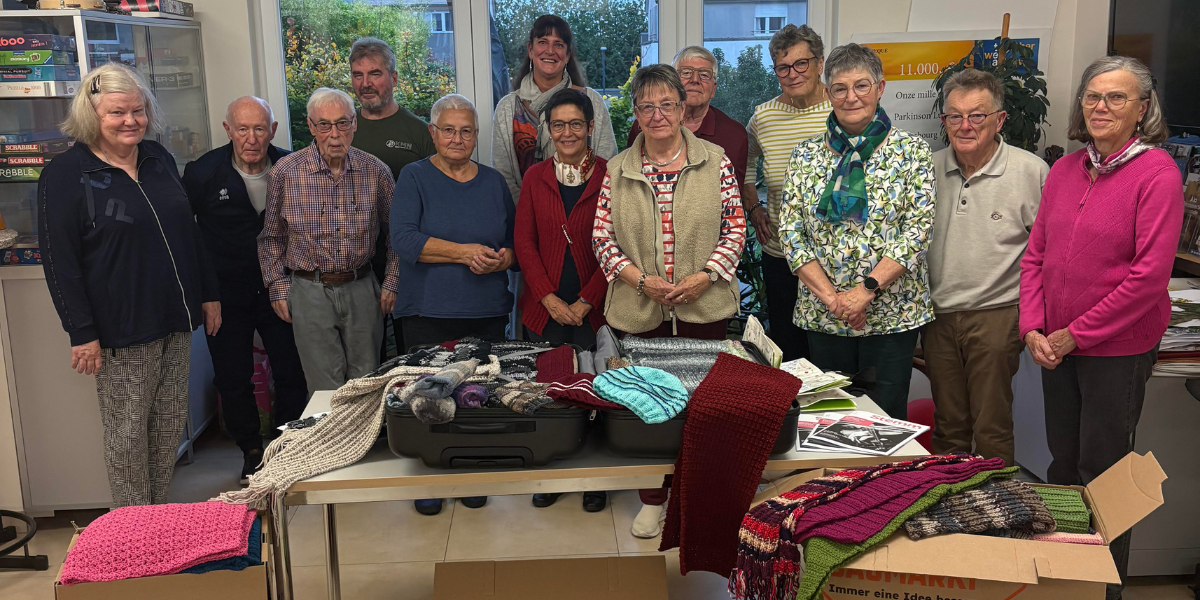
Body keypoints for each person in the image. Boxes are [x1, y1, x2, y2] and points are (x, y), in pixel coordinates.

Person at [1019, 55, 1180, 600]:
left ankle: (1105, 591)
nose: (1101, 106)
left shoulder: (1157, 173)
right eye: (1093, 96)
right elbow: (1035, 257)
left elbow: (1149, 278)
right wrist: (1033, 327)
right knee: (1063, 466)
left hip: (1117, 351)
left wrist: (1074, 334)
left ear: (1142, 109)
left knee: (1104, 475)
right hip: (1056, 348)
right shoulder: (1066, 169)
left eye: (1116, 97)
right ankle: (1069, 584)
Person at [38, 63, 220, 507]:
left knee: (167, 427)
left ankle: (153, 516)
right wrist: (81, 332)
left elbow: (189, 232)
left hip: (175, 319)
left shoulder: (157, 158)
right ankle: (131, 525)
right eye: (117, 113)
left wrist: (208, 293)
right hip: (121, 329)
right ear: (91, 115)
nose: (130, 121)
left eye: (138, 110)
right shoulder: (66, 174)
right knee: (128, 436)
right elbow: (60, 263)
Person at [591, 64, 746, 538]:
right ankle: (652, 499)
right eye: (647, 106)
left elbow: (736, 228)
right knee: (648, 407)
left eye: (666, 105)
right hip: (640, 311)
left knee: (704, 407)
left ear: (682, 108)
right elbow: (602, 239)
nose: (657, 115)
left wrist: (705, 277)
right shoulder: (618, 169)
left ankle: (693, 497)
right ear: (636, 113)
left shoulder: (715, 160)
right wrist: (641, 282)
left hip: (704, 309)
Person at [777, 43, 934, 421]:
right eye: (840, 88)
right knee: (829, 419)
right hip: (823, 315)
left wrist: (864, 292)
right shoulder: (805, 155)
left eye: (861, 86)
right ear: (828, 93)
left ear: (880, 88)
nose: (851, 97)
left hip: (892, 315)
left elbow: (917, 230)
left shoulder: (912, 152)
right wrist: (835, 301)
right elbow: (791, 233)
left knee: (885, 420)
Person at [392, 93, 516, 516]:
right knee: (426, 397)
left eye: (466, 131)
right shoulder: (414, 176)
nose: (457, 138)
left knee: (478, 395)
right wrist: (464, 253)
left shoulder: (494, 182)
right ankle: (429, 477)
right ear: (433, 132)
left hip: (487, 310)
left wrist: (502, 259)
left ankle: (472, 472)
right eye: (448, 130)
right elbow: (404, 240)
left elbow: (515, 245)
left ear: (476, 135)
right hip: (428, 311)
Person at [924, 69, 1048, 467]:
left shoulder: (1031, 172)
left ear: (999, 119)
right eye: (954, 115)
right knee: (949, 427)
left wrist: (1034, 320)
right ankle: (948, 500)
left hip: (997, 316)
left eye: (977, 115)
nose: (965, 125)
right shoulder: (926, 169)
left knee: (991, 427)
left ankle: (997, 504)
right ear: (943, 120)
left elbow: (1046, 254)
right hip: (938, 316)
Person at [183, 96, 309, 484]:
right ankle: (251, 451)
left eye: (259, 129)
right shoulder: (202, 173)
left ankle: (285, 446)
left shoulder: (292, 167)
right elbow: (188, 238)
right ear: (228, 130)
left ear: (272, 131)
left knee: (292, 370)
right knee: (233, 377)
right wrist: (206, 295)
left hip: (280, 288)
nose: (251, 138)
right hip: (225, 295)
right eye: (242, 129)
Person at [257, 88, 399, 393]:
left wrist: (391, 281)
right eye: (324, 125)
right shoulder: (286, 172)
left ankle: (364, 428)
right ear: (311, 126)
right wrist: (278, 287)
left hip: (362, 288)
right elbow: (271, 237)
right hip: (309, 291)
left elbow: (397, 234)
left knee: (367, 384)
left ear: (354, 123)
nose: (334, 134)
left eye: (342, 123)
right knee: (324, 389)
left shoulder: (376, 171)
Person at [513, 88, 609, 512]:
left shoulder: (610, 174)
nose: (566, 133)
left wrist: (587, 300)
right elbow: (524, 241)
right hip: (545, 307)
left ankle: (596, 479)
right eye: (558, 125)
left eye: (575, 124)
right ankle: (552, 473)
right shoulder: (535, 177)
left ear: (590, 127)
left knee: (597, 389)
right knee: (550, 392)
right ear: (547, 130)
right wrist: (548, 298)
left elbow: (619, 243)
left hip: (595, 308)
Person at [744, 24, 833, 361]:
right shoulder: (764, 117)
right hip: (782, 257)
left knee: (832, 357)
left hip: (834, 259)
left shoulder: (843, 108)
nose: (793, 73)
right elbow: (746, 164)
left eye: (801, 63)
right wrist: (754, 208)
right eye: (783, 67)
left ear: (820, 63)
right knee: (790, 353)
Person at [348, 37, 436, 358]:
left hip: (408, 262)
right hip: (356, 263)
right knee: (365, 355)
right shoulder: (344, 130)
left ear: (394, 78)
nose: (365, 83)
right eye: (358, 75)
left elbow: (435, 200)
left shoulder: (419, 132)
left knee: (409, 350)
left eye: (375, 73)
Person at [492, 14, 618, 200]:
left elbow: (606, 166)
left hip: (584, 211)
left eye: (558, 44)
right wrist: (533, 210)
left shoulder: (592, 102)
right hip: (523, 211)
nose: (550, 51)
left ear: (567, 56)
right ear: (530, 50)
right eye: (543, 42)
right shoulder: (507, 108)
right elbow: (503, 176)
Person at [626, 46, 748, 190]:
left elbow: (733, 195)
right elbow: (630, 183)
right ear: (673, 84)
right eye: (686, 72)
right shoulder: (647, 126)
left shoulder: (734, 135)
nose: (695, 80)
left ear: (713, 89)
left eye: (704, 74)